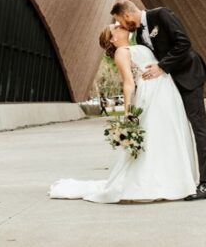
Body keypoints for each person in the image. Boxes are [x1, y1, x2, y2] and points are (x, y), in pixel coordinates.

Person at [48, 23, 197, 203]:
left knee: (167, 135)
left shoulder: (140, 45)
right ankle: (157, 182)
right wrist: (128, 113)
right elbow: (128, 83)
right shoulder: (121, 52)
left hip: (165, 93)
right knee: (153, 136)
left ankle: (174, 179)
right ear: (112, 38)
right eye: (115, 27)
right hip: (149, 97)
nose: (120, 26)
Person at [112, 0, 206, 201]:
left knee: (199, 129)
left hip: (188, 78)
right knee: (176, 132)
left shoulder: (160, 15)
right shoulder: (138, 36)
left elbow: (183, 43)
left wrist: (162, 67)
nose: (122, 27)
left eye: (120, 22)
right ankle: (181, 179)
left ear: (126, 15)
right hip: (168, 87)